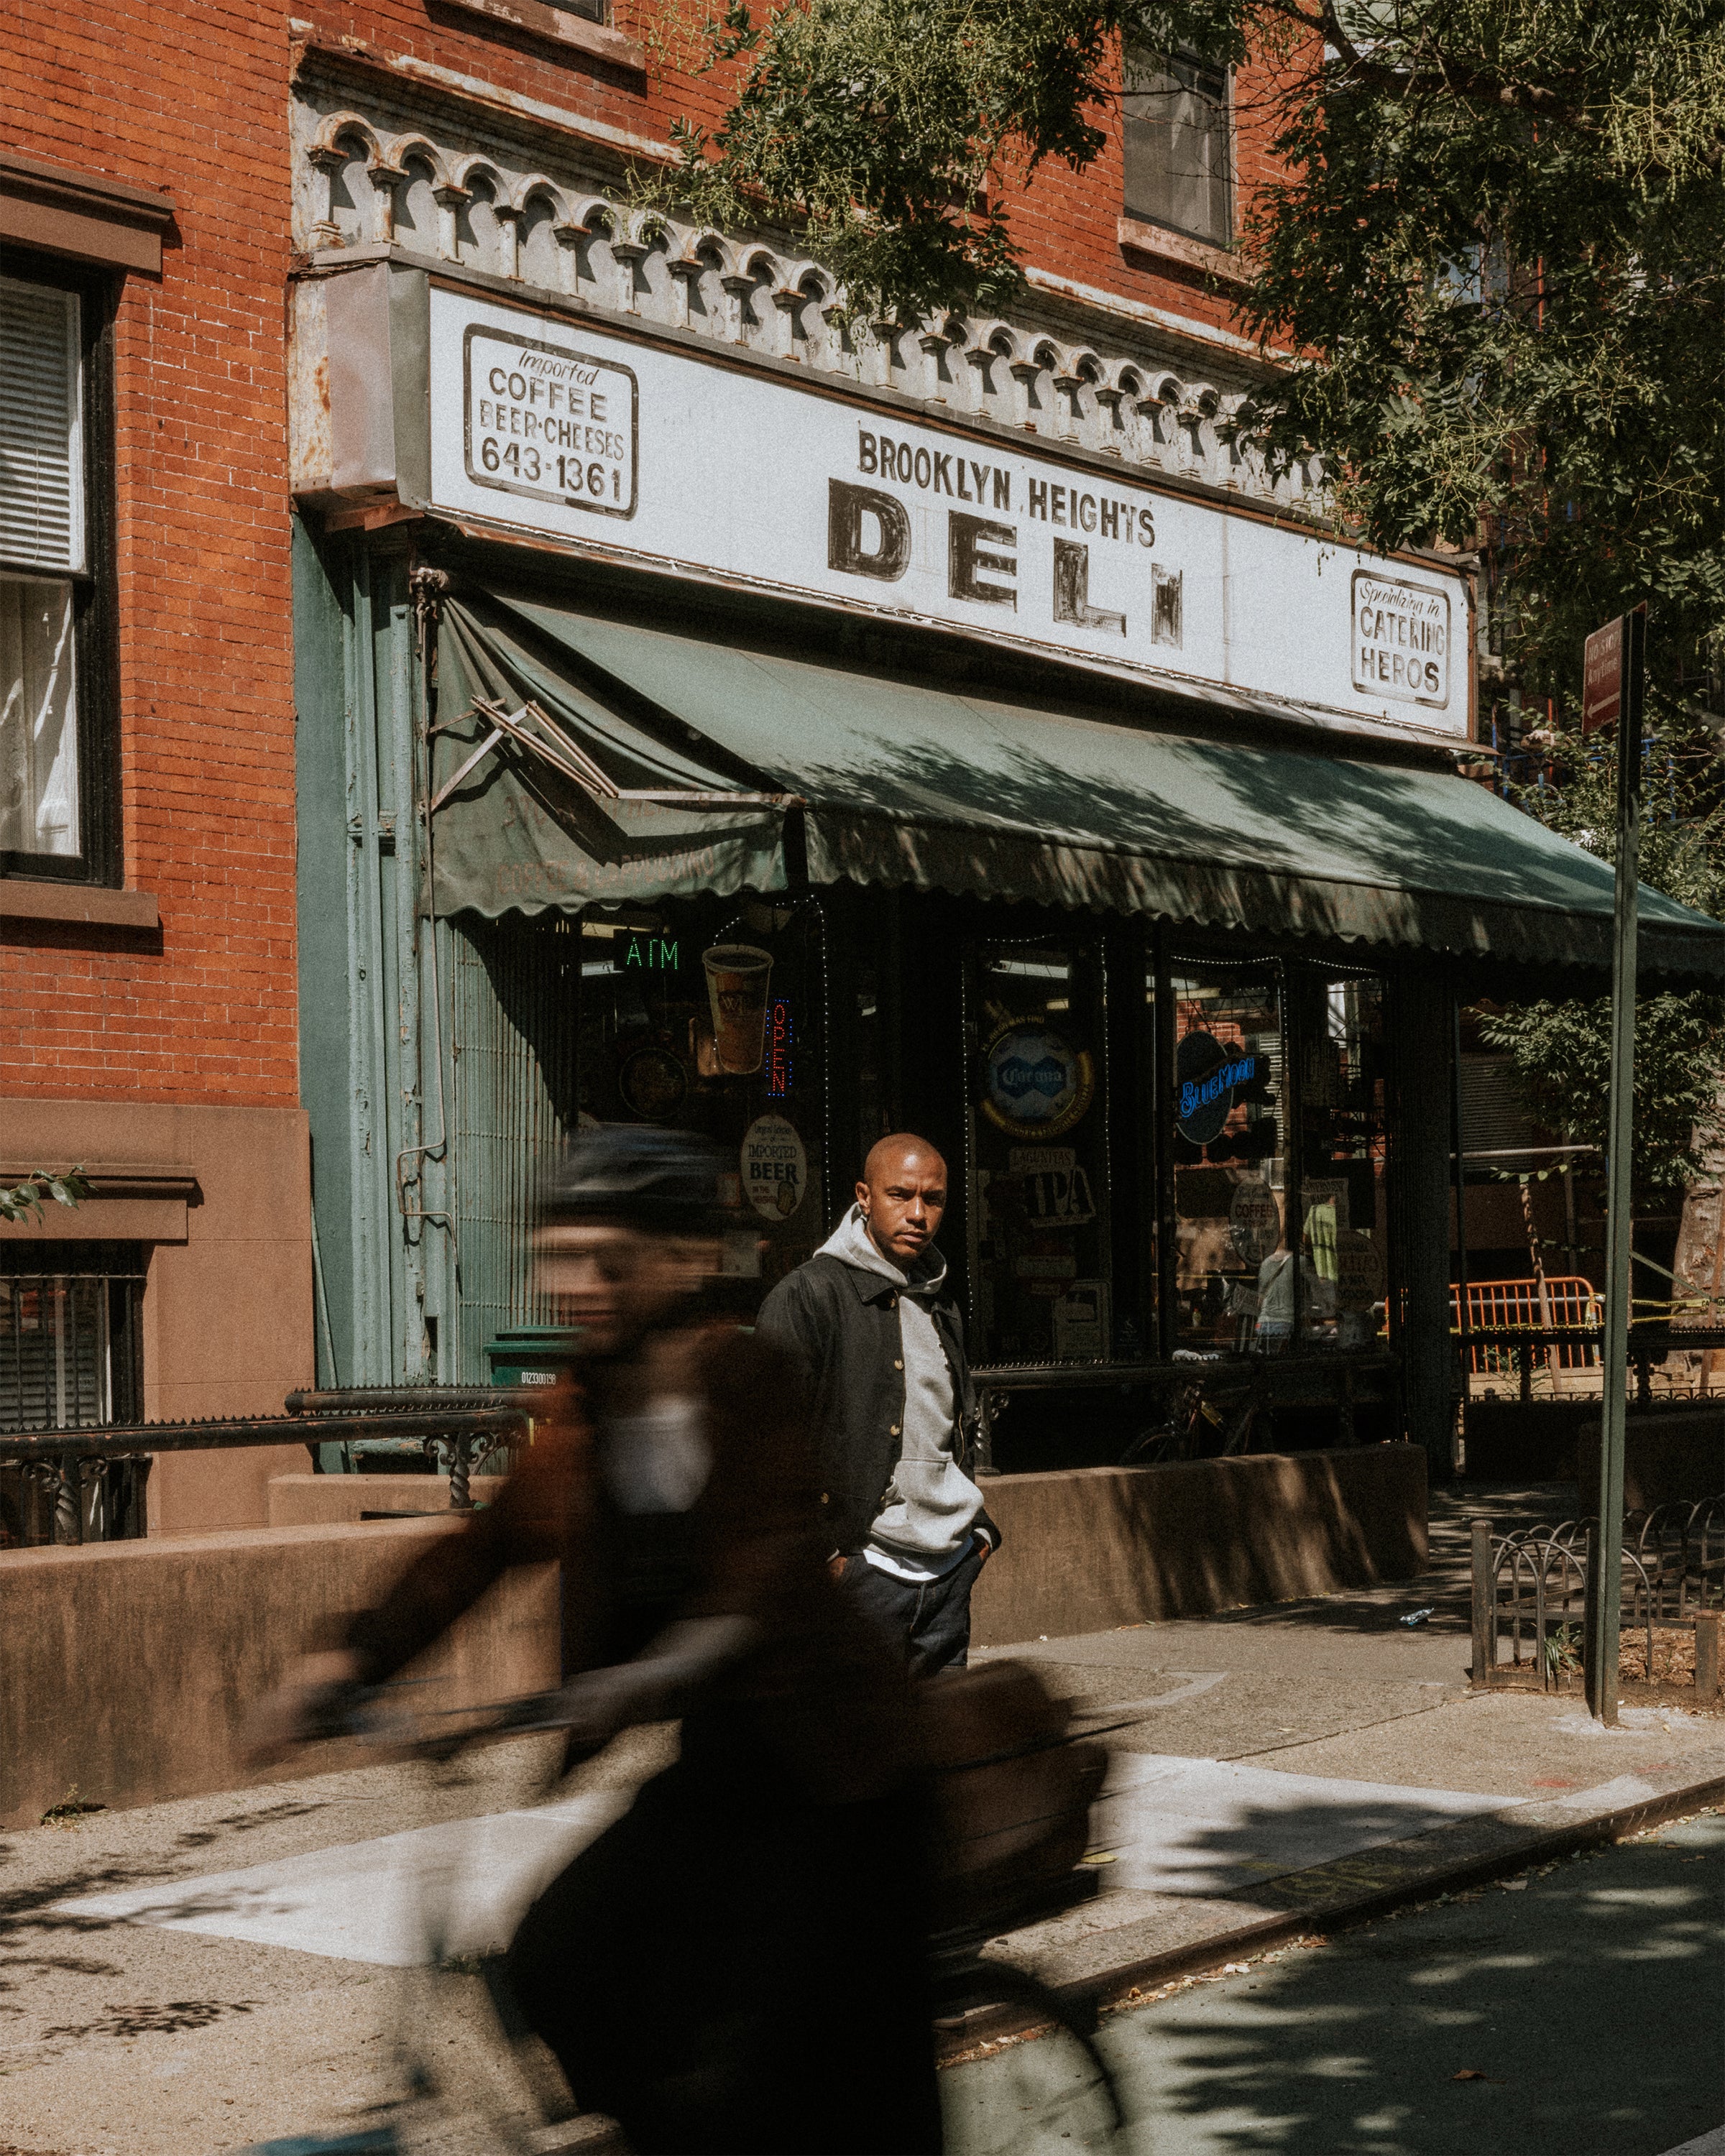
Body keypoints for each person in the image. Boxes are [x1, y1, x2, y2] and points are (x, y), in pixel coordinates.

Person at [249, 1126, 940, 2156]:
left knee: (802, 2053)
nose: (577, 1283)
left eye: (604, 1258)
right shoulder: (584, 1405)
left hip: (838, 1777)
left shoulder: (748, 1384)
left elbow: (764, 1568)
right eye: (558, 1261)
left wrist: (649, 1673)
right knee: (553, 1967)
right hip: (718, 1770)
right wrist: (348, 1658)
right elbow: (479, 1553)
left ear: (681, 1259)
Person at [756, 1133, 998, 1678]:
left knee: (938, 1751)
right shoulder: (810, 1295)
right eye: (900, 1195)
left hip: (947, 1572)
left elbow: (953, 1424)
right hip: (862, 1575)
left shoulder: (940, 1301)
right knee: (852, 1752)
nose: (918, 1214)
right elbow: (766, 1440)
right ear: (864, 1197)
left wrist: (978, 1534)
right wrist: (827, 1559)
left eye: (932, 1200)